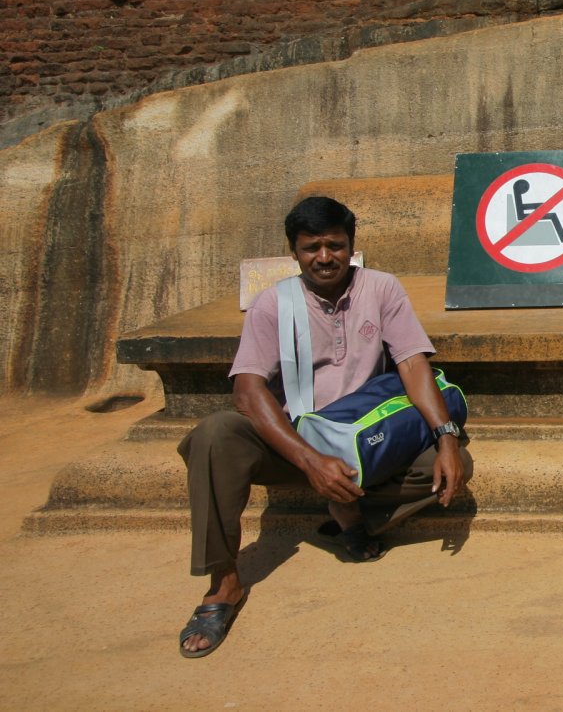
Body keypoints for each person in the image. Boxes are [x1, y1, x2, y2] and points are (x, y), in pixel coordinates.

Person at [177, 196, 473, 657]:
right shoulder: (273, 304)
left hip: (358, 439)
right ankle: (224, 582)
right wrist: (310, 460)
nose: (324, 257)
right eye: (311, 247)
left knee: (450, 465)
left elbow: (413, 364)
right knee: (215, 434)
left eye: (334, 245)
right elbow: (248, 392)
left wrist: (447, 436)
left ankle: (354, 516)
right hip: (293, 443)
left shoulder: (381, 288)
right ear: (294, 251)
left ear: (350, 246)